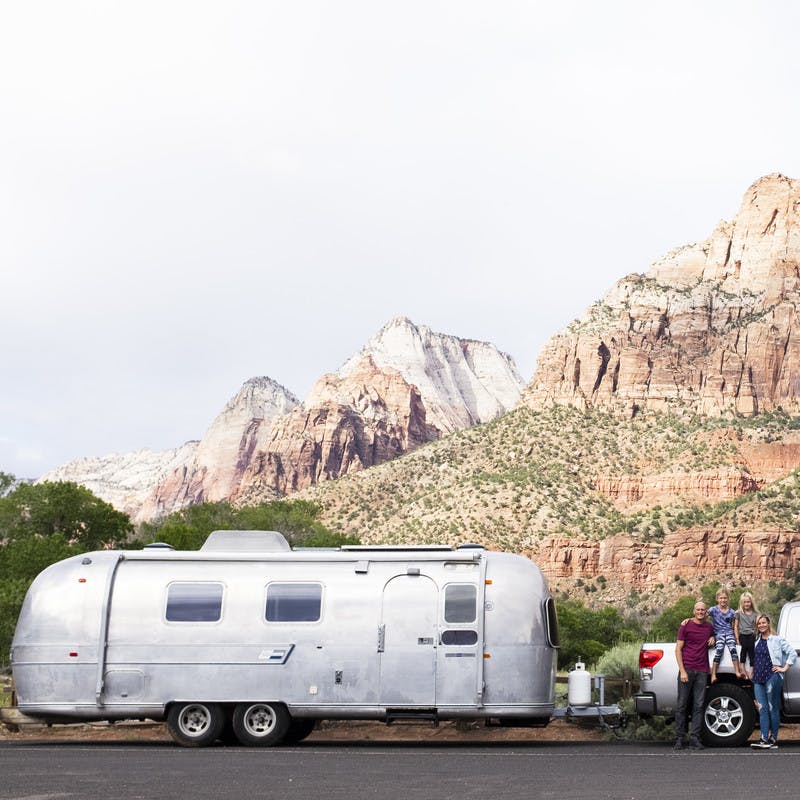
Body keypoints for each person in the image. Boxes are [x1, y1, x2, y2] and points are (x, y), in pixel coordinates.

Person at [750, 613, 796, 749]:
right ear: (757, 626)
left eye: (764, 623)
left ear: (768, 624)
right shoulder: (756, 642)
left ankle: (773, 739)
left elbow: (792, 653)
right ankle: (764, 739)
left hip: (772, 676)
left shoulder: (777, 639)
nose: (761, 625)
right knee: (762, 708)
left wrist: (784, 667)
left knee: (772, 707)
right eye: (759, 623)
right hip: (758, 678)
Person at [674, 600, 715, 750]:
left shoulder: (709, 627)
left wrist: (714, 638)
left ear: (706, 612)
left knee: (698, 706)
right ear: (693, 611)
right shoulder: (685, 626)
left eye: (703, 610)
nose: (700, 612)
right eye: (698, 610)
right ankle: (679, 738)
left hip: (702, 671)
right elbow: (678, 649)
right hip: (687, 670)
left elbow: (717, 635)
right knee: (682, 706)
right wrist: (683, 671)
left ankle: (695, 738)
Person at [708, 588, 744, 681]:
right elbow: (702, 615)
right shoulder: (713, 610)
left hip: (729, 633)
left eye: (725, 598)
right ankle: (713, 674)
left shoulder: (732, 612)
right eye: (721, 598)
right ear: (717, 599)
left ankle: (737, 671)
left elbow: (734, 625)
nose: (723, 600)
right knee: (719, 650)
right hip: (718, 633)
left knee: (733, 649)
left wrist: (737, 638)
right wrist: (690, 619)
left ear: (728, 599)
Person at [734, 592, 758, 679]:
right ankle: (742, 667)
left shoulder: (755, 613)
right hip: (742, 634)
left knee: (751, 650)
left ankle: (752, 668)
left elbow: (756, 626)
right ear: (742, 603)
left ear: (751, 602)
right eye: (744, 602)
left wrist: (756, 635)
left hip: (751, 634)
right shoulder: (738, 613)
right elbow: (736, 626)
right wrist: (737, 638)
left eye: (748, 602)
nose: (746, 604)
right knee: (744, 648)